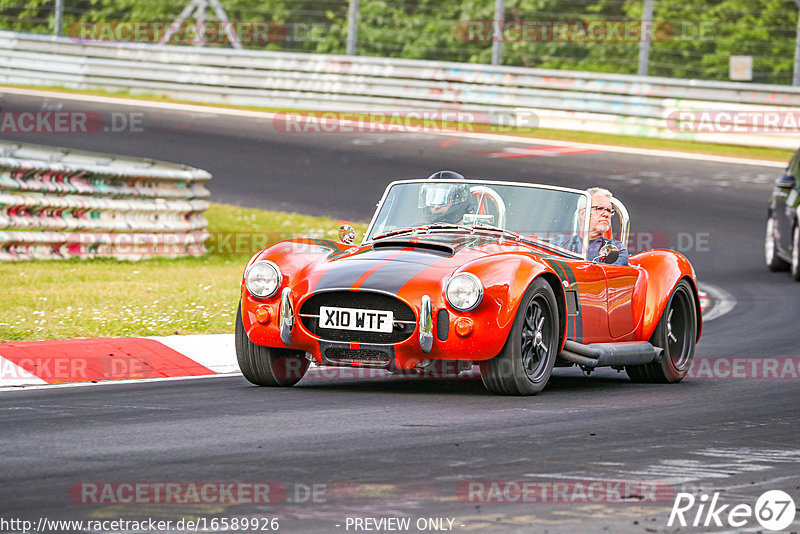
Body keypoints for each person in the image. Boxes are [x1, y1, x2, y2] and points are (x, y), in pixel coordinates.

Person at [552, 187, 629, 266]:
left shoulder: (617, 249)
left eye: (609, 210)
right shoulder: (559, 243)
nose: (606, 214)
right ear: (583, 213)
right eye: (599, 208)